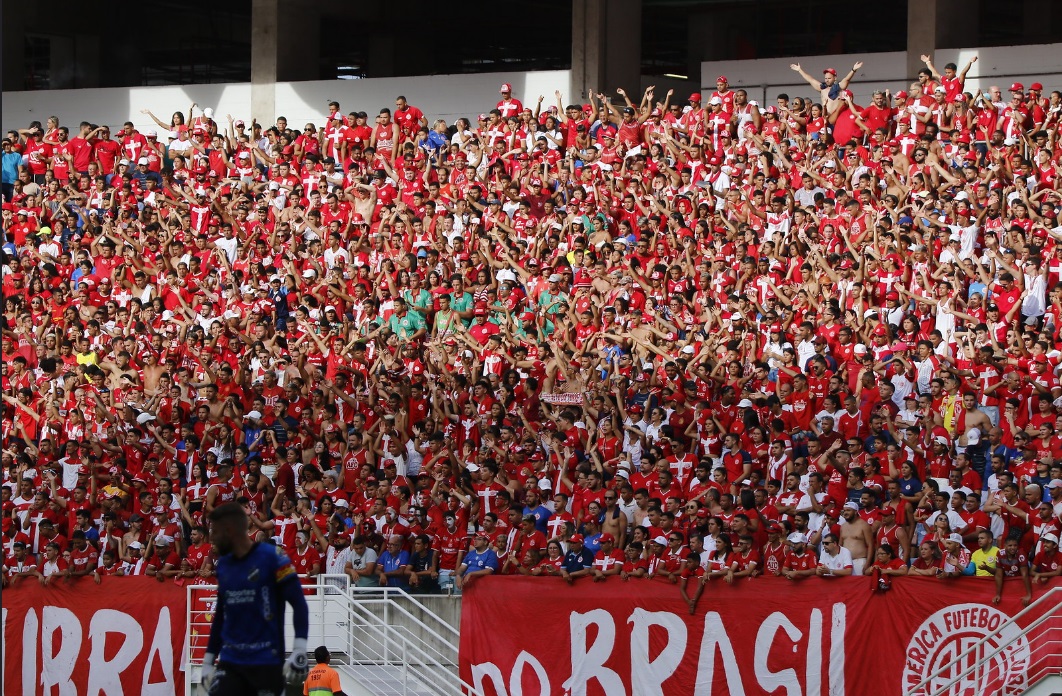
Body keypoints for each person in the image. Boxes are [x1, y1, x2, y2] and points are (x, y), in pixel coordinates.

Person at [200, 502, 310, 695]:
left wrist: (299, 649)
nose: (211, 537)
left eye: (215, 531)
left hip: (266, 661)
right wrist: (208, 661)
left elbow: (299, 603)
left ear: (230, 530)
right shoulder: (224, 565)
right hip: (231, 661)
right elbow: (220, 615)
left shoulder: (274, 557)